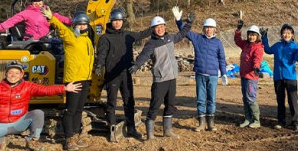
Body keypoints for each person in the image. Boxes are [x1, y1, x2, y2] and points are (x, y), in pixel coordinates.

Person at [0, 61, 81, 151]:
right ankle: (0, 142)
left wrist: (64, 88)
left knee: (38, 113)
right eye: (10, 72)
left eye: (17, 73)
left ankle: (32, 140)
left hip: (19, 122)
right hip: (0, 124)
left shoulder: (27, 87)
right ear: (6, 74)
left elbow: (44, 90)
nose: (13, 75)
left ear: (21, 75)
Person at [129, 12, 193, 140]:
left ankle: (167, 130)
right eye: (157, 27)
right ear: (153, 29)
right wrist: (136, 65)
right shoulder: (151, 44)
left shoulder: (170, 38)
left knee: (170, 104)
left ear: (165, 27)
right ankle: (150, 134)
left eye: (162, 26)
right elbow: (144, 56)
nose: (160, 29)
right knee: (155, 105)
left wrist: (189, 23)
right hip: (160, 79)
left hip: (171, 77)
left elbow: (181, 34)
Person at [41, 7, 94, 151]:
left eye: (84, 24)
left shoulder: (87, 40)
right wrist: (52, 18)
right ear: (74, 25)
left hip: (85, 79)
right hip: (74, 80)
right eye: (79, 24)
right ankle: (68, 139)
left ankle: (75, 136)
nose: (82, 27)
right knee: (70, 110)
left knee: (78, 110)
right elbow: (61, 29)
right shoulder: (71, 37)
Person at [96, 8, 151, 142]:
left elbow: (141, 34)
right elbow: (102, 54)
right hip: (112, 75)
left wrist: (154, 27)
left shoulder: (127, 35)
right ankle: (112, 128)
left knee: (129, 102)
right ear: (111, 21)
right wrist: (99, 65)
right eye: (115, 21)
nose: (117, 23)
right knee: (112, 103)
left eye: (120, 21)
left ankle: (131, 129)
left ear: (122, 22)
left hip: (126, 74)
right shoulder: (105, 38)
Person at [174, 7, 227, 132]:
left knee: (211, 99)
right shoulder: (198, 39)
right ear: (204, 29)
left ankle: (211, 123)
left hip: (213, 75)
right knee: (201, 99)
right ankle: (201, 123)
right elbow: (184, 30)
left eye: (211, 28)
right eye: (206, 27)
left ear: (215, 29)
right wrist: (179, 20)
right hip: (200, 74)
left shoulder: (218, 43)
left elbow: (221, 59)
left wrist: (223, 73)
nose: (208, 30)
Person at [262, 24, 298, 131]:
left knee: (293, 100)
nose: (286, 35)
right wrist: (264, 37)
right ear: (281, 34)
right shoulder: (277, 45)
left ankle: (296, 122)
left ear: (292, 35)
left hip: (290, 77)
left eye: (289, 33)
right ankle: (281, 121)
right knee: (280, 100)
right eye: (284, 33)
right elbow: (267, 50)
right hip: (278, 77)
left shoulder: (294, 46)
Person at [0, 0, 72, 40]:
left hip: (46, 39)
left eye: (40, 1)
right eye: (35, 1)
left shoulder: (47, 12)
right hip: (31, 40)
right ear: (31, 2)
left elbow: (62, 19)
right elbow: (12, 21)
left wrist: (75, 22)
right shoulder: (26, 13)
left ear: (42, 2)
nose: (38, 4)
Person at [234, 20, 264, 128]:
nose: (251, 37)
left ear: (257, 36)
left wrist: (256, 67)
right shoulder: (246, 45)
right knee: (245, 98)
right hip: (244, 75)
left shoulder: (258, 47)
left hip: (251, 77)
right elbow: (237, 41)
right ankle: (247, 118)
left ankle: (256, 120)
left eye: (253, 35)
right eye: (250, 35)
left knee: (251, 97)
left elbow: (257, 59)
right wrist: (238, 30)